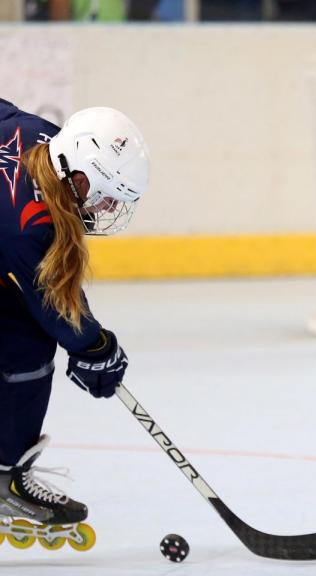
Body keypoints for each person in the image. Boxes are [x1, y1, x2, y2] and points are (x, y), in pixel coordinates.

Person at [0, 102, 150, 550]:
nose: (106, 207)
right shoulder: (27, 226)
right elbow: (56, 305)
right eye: (106, 195)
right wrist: (96, 349)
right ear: (80, 178)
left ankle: (6, 474)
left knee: (25, 343)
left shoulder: (41, 136)